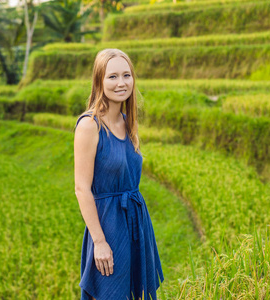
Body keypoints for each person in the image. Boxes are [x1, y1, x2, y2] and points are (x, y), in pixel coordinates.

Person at [73, 48, 164, 300]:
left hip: (136, 221)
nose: (121, 83)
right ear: (99, 81)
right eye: (112, 77)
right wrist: (100, 242)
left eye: (126, 75)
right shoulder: (89, 126)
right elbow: (82, 188)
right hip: (108, 226)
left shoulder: (127, 121)